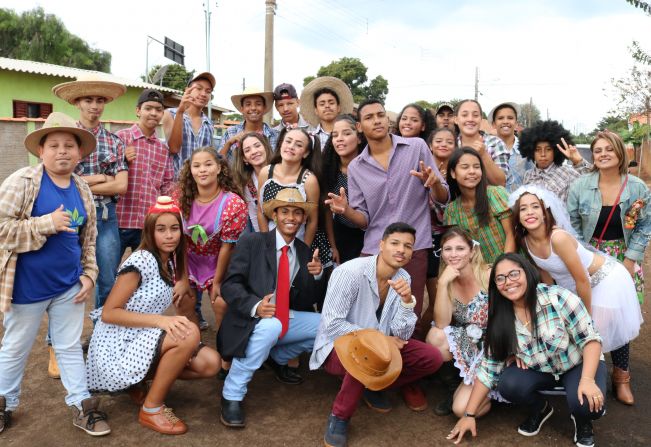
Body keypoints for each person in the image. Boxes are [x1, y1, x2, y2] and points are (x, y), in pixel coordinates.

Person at [0, 112, 110, 436]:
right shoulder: (22, 182)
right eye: (54, 145)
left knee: (69, 346)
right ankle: (3, 404)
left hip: (68, 287)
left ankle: (81, 405)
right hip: (26, 288)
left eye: (69, 146)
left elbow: (88, 239)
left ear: (79, 153)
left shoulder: (82, 189)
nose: (62, 151)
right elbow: (1, 228)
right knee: (15, 346)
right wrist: (45, 224)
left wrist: (89, 274)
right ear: (41, 151)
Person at [86, 197, 221, 435]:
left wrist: (184, 284)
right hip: (117, 344)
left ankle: (139, 382)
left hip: (141, 337)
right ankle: (152, 408)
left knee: (211, 363)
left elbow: (186, 312)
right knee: (186, 334)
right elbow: (109, 313)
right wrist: (163, 320)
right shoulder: (141, 260)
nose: (169, 235)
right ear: (150, 232)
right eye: (161, 229)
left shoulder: (169, 261)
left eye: (174, 228)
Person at [448, 253, 606, 447]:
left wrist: (588, 380)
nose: (508, 282)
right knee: (508, 384)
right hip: (540, 370)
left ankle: (582, 421)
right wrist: (468, 415)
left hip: (577, 365)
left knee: (589, 406)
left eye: (514, 274)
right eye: (500, 278)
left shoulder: (557, 297)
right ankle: (540, 408)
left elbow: (590, 340)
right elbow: (489, 369)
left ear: (528, 273)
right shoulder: (499, 316)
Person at [311, 222, 444, 447]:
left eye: (408, 246)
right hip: (337, 348)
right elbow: (332, 325)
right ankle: (339, 416)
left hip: (382, 347)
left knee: (432, 358)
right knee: (366, 358)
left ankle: (373, 385)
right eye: (395, 243)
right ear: (381, 245)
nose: (401, 249)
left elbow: (403, 333)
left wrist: (406, 302)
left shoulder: (404, 278)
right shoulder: (349, 272)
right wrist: (379, 340)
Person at [325, 99, 448, 337]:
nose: (377, 120)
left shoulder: (416, 147)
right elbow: (364, 220)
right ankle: (368, 367)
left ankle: (406, 369)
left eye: (380, 115)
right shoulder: (357, 167)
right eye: (369, 117)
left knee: (407, 313)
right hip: (374, 250)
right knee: (366, 314)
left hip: (414, 247)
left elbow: (443, 196)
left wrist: (433, 184)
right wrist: (346, 210)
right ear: (360, 127)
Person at [511, 186, 643, 406]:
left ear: (546, 211)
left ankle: (620, 377)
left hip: (604, 280)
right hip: (573, 286)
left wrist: (586, 316)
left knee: (597, 330)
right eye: (523, 209)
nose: (530, 212)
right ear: (518, 216)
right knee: (570, 330)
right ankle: (569, 377)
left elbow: (583, 280)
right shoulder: (526, 241)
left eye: (536, 206)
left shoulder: (559, 238)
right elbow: (547, 277)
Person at [218, 188, 323, 428]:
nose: (291, 217)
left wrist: (316, 277)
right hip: (251, 320)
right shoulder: (252, 241)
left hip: (284, 316)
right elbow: (230, 285)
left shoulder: (305, 251)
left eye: (297, 213)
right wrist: (255, 306)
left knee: (327, 325)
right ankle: (232, 393)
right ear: (274, 215)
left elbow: (307, 300)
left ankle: (277, 357)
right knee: (272, 325)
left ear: (303, 218)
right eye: (284, 211)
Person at [567, 130, 651, 404]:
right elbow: (572, 226)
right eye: (598, 150)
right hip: (589, 259)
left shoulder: (637, 187)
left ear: (620, 154)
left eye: (608, 150)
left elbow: (644, 225)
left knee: (619, 316)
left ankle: (621, 376)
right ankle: (592, 371)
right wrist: (580, 259)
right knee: (590, 316)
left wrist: (631, 258)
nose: (602, 154)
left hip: (623, 258)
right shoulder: (581, 185)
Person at [52, 74, 128, 316]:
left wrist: (81, 182)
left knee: (106, 279)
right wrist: (102, 178)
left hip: (106, 216)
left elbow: (121, 186)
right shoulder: (66, 138)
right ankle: (57, 341)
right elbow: (59, 180)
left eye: (99, 100)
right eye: (88, 100)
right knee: (64, 277)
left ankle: (100, 339)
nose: (94, 106)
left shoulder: (114, 142)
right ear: (77, 103)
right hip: (71, 215)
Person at [174, 147, 247, 332]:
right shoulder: (180, 199)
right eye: (196, 165)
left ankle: (225, 353)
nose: (202, 170)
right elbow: (180, 243)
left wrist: (217, 282)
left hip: (219, 261)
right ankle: (192, 346)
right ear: (190, 170)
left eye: (208, 164)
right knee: (182, 300)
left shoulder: (233, 203)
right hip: (188, 259)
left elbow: (226, 247)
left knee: (220, 302)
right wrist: (182, 278)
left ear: (219, 168)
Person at [425, 227, 495, 417]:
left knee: (460, 410)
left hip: (495, 347)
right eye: (448, 249)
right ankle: (455, 387)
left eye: (460, 248)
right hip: (470, 342)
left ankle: (493, 392)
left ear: (472, 251)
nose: (453, 254)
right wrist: (442, 284)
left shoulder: (488, 275)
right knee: (435, 336)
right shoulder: (447, 280)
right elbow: (441, 324)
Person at [116, 89, 174, 255]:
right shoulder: (122, 138)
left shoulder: (163, 149)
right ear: (138, 111)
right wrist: (123, 160)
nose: (153, 113)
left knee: (144, 273)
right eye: (148, 108)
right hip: (119, 220)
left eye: (158, 109)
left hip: (147, 224)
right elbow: (108, 171)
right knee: (109, 273)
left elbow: (166, 184)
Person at [444, 147, 515, 265]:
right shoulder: (451, 210)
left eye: (476, 167)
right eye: (465, 167)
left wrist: (502, 267)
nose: (472, 171)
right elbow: (458, 247)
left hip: (511, 264)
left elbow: (511, 234)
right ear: (453, 173)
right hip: (480, 273)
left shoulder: (495, 194)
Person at [257, 128, 321, 246]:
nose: (291, 147)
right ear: (281, 144)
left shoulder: (309, 181)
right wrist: (266, 242)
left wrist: (303, 251)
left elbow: (312, 221)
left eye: (298, 145)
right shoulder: (265, 172)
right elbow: (261, 211)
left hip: (298, 238)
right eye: (288, 141)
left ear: (306, 153)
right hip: (270, 238)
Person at [421, 127, 457, 333]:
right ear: (430, 145)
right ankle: (418, 341)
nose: (443, 144)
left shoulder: (457, 170)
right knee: (436, 299)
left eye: (449, 141)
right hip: (429, 238)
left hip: (451, 239)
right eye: (438, 140)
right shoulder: (422, 167)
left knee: (453, 299)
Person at [321, 114, 365, 265]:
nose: (339, 138)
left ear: (359, 138)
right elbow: (327, 210)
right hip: (341, 233)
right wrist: (333, 246)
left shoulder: (371, 168)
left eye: (346, 133)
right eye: (335, 135)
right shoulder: (328, 170)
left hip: (370, 235)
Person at [520, 120, 592, 202]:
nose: (543, 154)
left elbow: (592, 183)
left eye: (548, 149)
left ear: (555, 150)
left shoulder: (567, 173)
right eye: (537, 149)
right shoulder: (528, 176)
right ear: (531, 151)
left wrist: (579, 161)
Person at [162, 72, 215, 177]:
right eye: (199, 89)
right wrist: (180, 112)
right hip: (175, 184)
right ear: (188, 91)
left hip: (200, 186)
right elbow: (173, 148)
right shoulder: (170, 114)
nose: (203, 94)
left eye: (208, 91)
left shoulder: (209, 124)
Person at [454, 99, 507, 186]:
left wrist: (483, 155)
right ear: (456, 119)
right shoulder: (451, 144)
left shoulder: (495, 143)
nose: (470, 119)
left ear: (481, 119)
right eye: (464, 115)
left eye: (475, 115)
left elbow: (501, 183)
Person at [217, 87, 278, 160]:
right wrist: (229, 143)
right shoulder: (231, 132)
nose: (253, 108)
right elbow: (218, 162)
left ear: (264, 107)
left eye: (258, 104)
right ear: (242, 109)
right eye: (248, 104)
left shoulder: (275, 135)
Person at [232, 132, 274, 232]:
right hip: (266, 233)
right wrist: (264, 240)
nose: (254, 151)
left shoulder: (280, 171)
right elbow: (254, 214)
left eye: (257, 146)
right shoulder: (248, 183)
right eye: (247, 150)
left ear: (266, 147)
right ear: (244, 158)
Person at [488, 102, 532, 192]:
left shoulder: (526, 149)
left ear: (516, 124)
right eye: (500, 118)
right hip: (493, 203)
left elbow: (532, 179)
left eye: (510, 118)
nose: (505, 121)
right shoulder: (487, 149)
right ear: (493, 124)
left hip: (520, 203)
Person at [300, 76, 355, 148]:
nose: (327, 106)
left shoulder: (351, 134)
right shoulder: (310, 138)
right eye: (322, 104)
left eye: (331, 103)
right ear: (316, 110)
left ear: (338, 108)